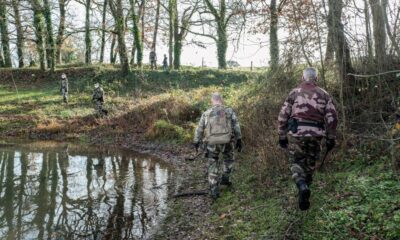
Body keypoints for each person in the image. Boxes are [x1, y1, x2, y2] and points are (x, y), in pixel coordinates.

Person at [278, 67, 338, 211]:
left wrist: (281, 134)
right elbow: (332, 117)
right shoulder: (324, 94)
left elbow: (283, 115)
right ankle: (304, 196)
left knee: (295, 163)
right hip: (316, 135)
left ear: (302, 77)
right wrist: (331, 137)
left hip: (297, 134)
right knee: (310, 164)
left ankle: (302, 186)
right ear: (316, 78)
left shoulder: (294, 92)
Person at [193, 92, 243, 200]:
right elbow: (236, 126)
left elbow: (200, 128)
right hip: (227, 141)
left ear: (212, 100)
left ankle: (214, 189)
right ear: (221, 100)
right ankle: (225, 179)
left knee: (213, 164)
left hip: (212, 143)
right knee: (228, 159)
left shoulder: (207, 113)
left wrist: (196, 141)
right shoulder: (229, 111)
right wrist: (239, 139)